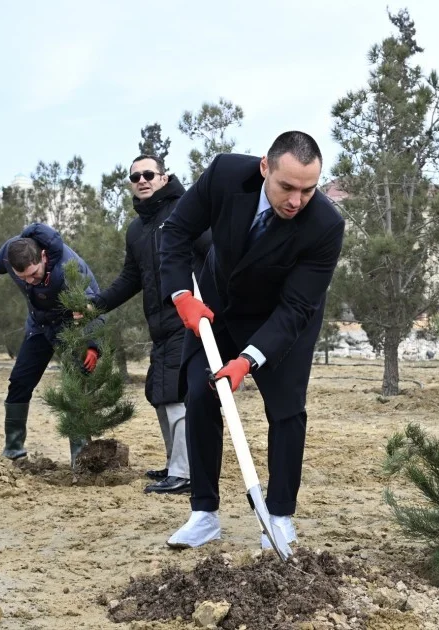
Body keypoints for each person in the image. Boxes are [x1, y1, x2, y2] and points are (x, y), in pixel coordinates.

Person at [158, 131, 345, 549]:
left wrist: (248, 359)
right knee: (200, 395)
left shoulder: (326, 226)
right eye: (287, 187)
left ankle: (278, 518)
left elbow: (296, 307)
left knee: (286, 412)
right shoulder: (226, 174)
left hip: (284, 318)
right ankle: (203, 514)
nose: (296, 200)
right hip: (218, 305)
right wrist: (181, 295)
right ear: (265, 167)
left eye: (308, 190)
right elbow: (175, 233)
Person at [88, 154, 212, 495]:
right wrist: (95, 305)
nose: (141, 180)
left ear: (163, 177)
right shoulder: (137, 229)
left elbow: (215, 252)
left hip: (187, 320)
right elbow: (131, 278)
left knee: (175, 394)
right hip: (157, 323)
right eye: (135, 177)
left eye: (148, 174)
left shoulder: (186, 211)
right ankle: (175, 463)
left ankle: (186, 473)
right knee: (159, 393)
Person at [0, 223, 104, 465]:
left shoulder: (69, 269)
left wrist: (92, 344)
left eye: (34, 274)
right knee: (19, 382)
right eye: (22, 277)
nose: (30, 281)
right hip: (39, 325)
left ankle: (80, 457)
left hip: (71, 328)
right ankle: (13, 450)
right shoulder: (11, 252)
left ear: (43, 256)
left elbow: (95, 306)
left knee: (74, 386)